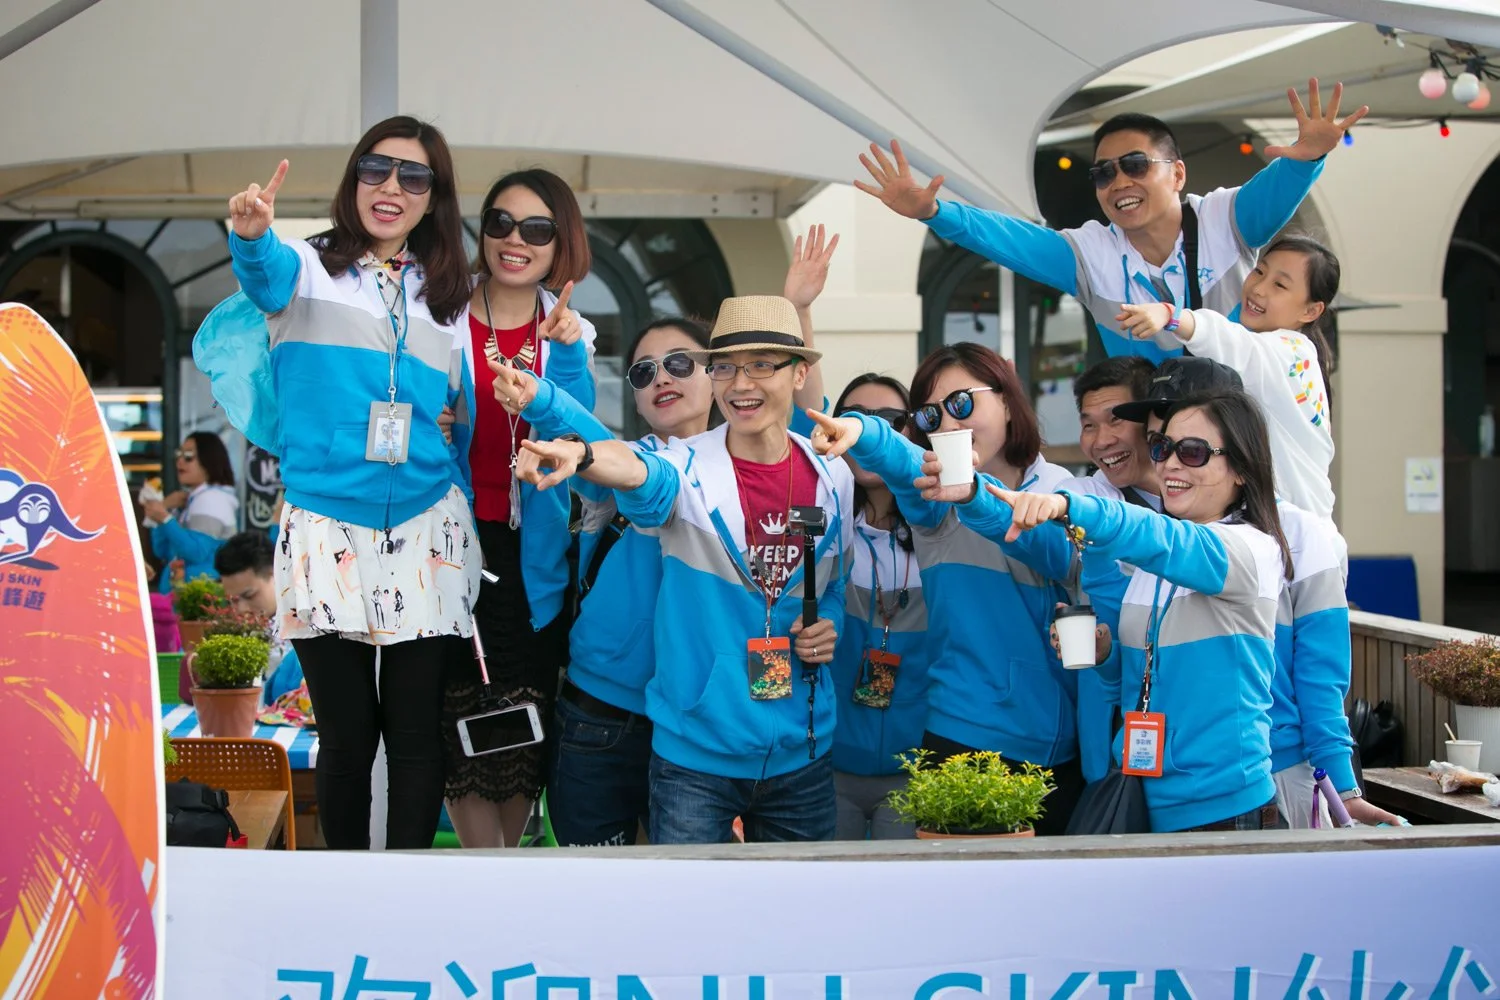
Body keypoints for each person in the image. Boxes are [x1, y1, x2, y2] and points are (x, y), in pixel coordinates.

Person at [488, 226, 839, 846]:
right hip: (607, 714)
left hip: (708, 724)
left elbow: (810, 423)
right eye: (644, 371)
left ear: (717, 377)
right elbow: (604, 447)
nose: (661, 378)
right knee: (606, 888)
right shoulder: (636, 461)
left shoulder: (779, 470)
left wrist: (796, 312)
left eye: (681, 363)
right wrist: (544, 402)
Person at [224, 115, 478, 851]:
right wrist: (251, 236)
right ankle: (344, 889)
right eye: (376, 168)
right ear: (354, 180)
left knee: (415, 734)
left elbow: (460, 408)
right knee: (346, 736)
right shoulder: (304, 266)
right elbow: (263, 274)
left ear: (434, 197)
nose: (392, 186)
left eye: (414, 175)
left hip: (427, 524)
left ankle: (408, 886)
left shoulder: (448, 296)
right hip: (324, 524)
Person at [856, 81, 1367, 362]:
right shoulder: (1090, 254)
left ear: (1178, 173)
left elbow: (1276, 190)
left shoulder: (1224, 218)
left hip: (1244, 434)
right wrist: (934, 212)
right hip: (1157, 449)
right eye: (1103, 173)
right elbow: (1011, 239)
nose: (1119, 181)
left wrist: (1308, 158)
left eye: (1136, 165)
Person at [976, 390, 1292, 832]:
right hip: (1146, 799)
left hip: (1223, 808)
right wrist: (1105, 655)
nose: (1170, 464)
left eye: (1193, 452)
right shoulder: (1156, 563)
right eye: (1162, 448)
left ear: (1241, 468)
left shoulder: (1249, 549)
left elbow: (1161, 538)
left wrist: (1073, 507)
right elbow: (1125, 682)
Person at [806, 343, 1082, 835]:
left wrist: (979, 497)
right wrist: (864, 432)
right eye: (932, 416)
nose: (950, 425)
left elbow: (1059, 556)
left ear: (1007, 398)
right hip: (960, 732)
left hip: (1060, 744)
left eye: (962, 403)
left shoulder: (1066, 492)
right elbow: (900, 460)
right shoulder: (935, 498)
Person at [441, 168, 597, 850]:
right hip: (450, 548)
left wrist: (568, 353)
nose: (515, 240)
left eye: (537, 229)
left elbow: (584, 440)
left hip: (534, 562)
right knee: (455, 718)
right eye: (500, 222)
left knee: (523, 722)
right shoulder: (441, 315)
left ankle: (508, 872)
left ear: (561, 242)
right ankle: (483, 868)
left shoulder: (568, 331)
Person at [1117, 234, 1340, 521]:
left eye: (1280, 285)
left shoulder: (1290, 353)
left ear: (1311, 310)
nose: (1258, 288)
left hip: (1295, 535)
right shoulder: (1289, 354)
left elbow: (1231, 341)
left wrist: (1171, 316)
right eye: (1259, 271)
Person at [826, 374, 930, 840]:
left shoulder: (939, 530)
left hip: (917, 766)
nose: (870, 433)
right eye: (855, 419)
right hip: (829, 765)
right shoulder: (825, 526)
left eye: (890, 420)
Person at [214, 531, 305, 707]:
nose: (241, 609)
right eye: (233, 600)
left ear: (275, 573)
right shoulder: (236, 631)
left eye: (249, 595)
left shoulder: (310, 622)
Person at [142, 432, 239, 593]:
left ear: (209, 460)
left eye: (188, 456)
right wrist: (163, 510)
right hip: (183, 596)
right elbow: (162, 550)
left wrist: (165, 518)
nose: (180, 461)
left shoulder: (213, 499)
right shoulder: (192, 499)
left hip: (202, 599)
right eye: (178, 455)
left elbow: (197, 552)